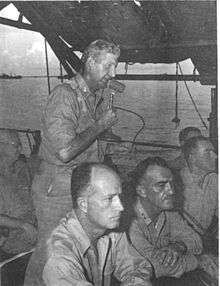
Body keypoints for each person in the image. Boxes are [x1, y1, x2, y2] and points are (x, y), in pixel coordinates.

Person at [25, 39, 121, 285]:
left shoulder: (91, 97)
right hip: (55, 190)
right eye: (108, 66)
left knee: (75, 250)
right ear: (90, 61)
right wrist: (101, 126)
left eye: (115, 67)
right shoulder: (64, 95)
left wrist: (108, 138)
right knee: (49, 254)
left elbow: (84, 139)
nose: (113, 74)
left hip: (78, 187)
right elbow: (65, 152)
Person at [43, 162, 152, 286]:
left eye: (119, 197)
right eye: (109, 199)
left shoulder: (110, 230)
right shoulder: (59, 254)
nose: (120, 207)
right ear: (84, 204)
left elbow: (139, 267)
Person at [124, 156, 203, 285]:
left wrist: (178, 246)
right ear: (141, 190)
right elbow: (154, 267)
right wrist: (199, 261)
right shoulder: (129, 221)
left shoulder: (169, 213)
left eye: (171, 184)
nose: (171, 191)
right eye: (161, 185)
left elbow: (196, 241)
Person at [0, 129, 37, 258]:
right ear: (1, 146)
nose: (20, 150)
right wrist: (23, 225)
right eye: (16, 146)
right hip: (13, 237)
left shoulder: (22, 168)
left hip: (35, 229)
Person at [180, 136, 218, 237]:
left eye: (213, 151)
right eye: (207, 152)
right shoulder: (175, 183)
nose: (215, 156)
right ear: (192, 157)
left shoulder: (213, 180)